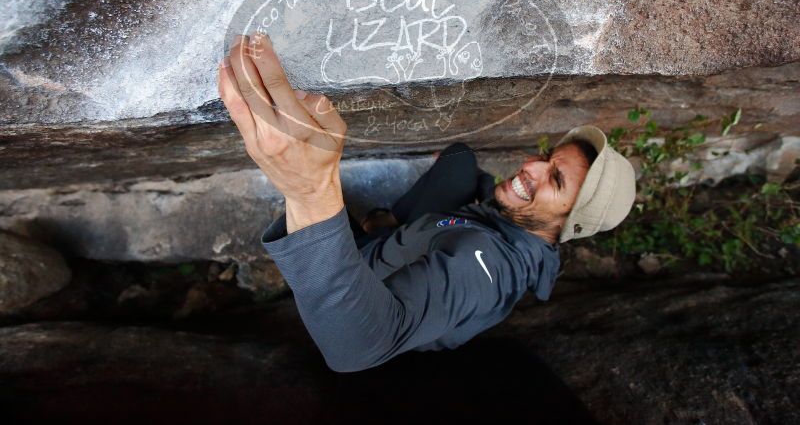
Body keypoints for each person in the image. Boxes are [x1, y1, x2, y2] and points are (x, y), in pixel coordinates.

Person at [217, 33, 636, 372]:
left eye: (555, 180)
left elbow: (357, 350)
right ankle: (382, 224)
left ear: (567, 220)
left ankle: (370, 232)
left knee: (314, 221)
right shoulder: (520, 226)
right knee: (461, 161)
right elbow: (483, 198)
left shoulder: (482, 266)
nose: (531, 167)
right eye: (547, 158)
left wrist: (310, 194)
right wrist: (479, 191)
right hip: (424, 234)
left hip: (365, 283)